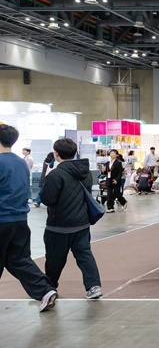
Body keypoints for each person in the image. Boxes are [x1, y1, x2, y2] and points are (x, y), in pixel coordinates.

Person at [0, 124, 59, 312]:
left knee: (17, 259)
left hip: (1, 219)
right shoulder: (21, 163)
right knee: (19, 259)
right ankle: (45, 290)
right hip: (19, 219)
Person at [39, 138, 102, 299]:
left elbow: (48, 199)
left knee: (54, 259)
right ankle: (94, 286)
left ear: (56, 154)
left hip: (59, 224)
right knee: (84, 255)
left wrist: (46, 180)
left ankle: (50, 287)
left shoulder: (55, 174)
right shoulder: (85, 172)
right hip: (81, 222)